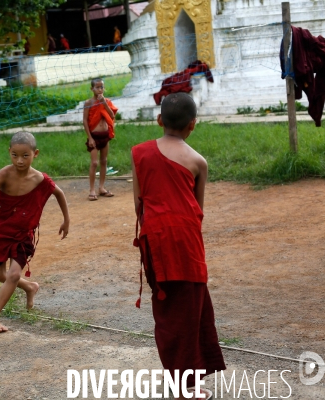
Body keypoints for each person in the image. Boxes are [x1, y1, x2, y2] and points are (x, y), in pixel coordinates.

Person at [131, 93, 225, 400]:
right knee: (190, 310)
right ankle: (185, 387)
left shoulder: (141, 153)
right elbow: (197, 211)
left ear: (159, 121)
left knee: (170, 309)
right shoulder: (198, 161)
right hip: (185, 243)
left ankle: (183, 379)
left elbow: (138, 204)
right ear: (193, 125)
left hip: (154, 238)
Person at [0, 131, 70, 333]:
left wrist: (66, 219)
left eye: (25, 155)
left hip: (23, 234)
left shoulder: (40, 179)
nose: (20, 160)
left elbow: (59, 193)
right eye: (14, 155)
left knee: (14, 274)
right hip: (0, 230)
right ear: (9, 152)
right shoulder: (3, 175)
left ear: (36, 154)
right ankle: (30, 287)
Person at [83, 78, 119, 201]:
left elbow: (112, 116)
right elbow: (85, 121)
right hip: (94, 137)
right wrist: (90, 138)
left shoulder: (106, 101)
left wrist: (104, 103)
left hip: (105, 135)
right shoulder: (89, 103)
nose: (100, 89)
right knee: (94, 163)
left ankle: (102, 188)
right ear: (92, 89)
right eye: (97, 87)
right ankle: (92, 190)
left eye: (102, 87)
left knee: (104, 161)